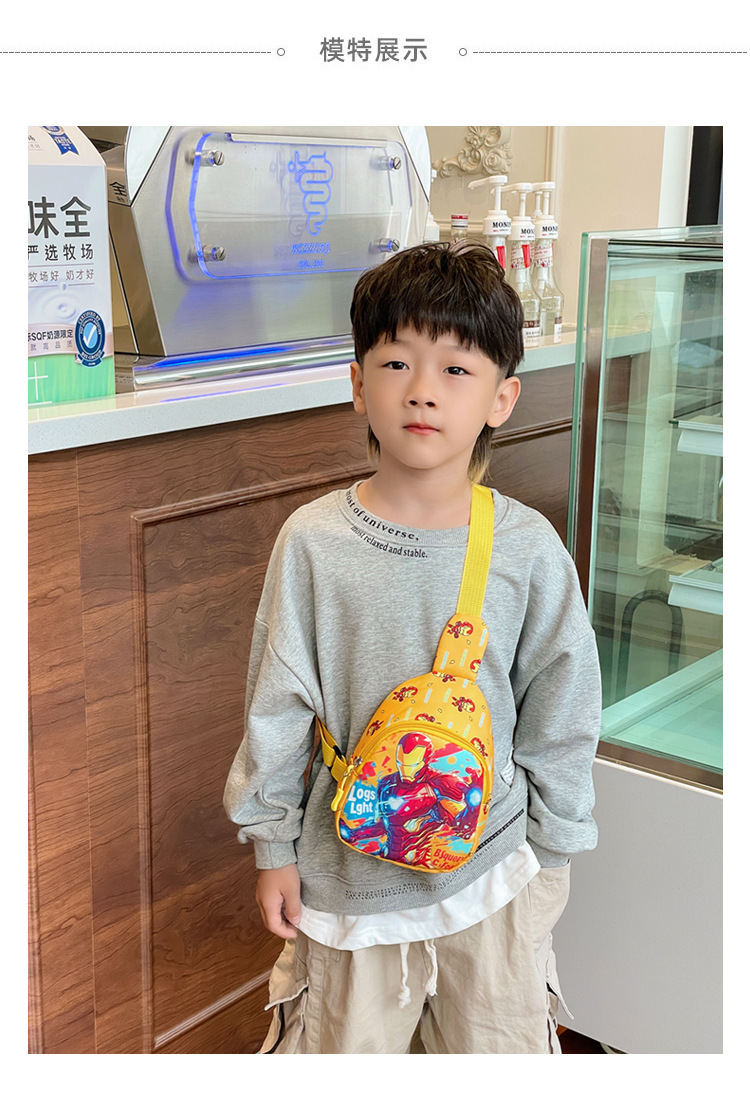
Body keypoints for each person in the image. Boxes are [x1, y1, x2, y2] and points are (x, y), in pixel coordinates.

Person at [223, 241, 601, 1054]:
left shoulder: (527, 548)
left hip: (495, 880)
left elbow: (563, 705)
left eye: (456, 369)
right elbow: (277, 707)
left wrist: (554, 853)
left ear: (502, 398)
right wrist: (273, 847)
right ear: (358, 384)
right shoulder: (314, 542)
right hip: (348, 890)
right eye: (396, 362)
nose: (423, 390)